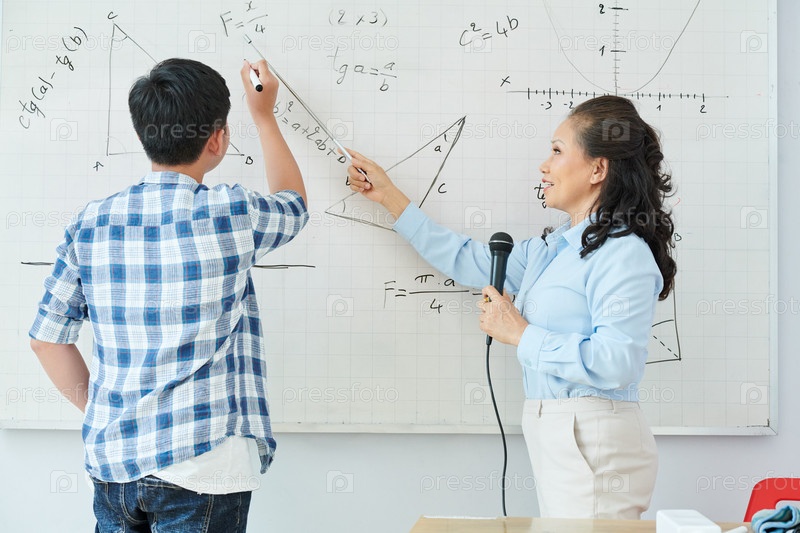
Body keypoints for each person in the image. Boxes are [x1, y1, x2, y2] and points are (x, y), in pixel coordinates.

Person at [346, 95, 676, 519]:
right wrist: (389, 196)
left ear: (598, 169)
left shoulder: (623, 254)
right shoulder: (550, 250)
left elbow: (618, 363)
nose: (543, 165)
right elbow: (467, 260)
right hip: (555, 430)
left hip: (593, 436)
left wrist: (522, 334)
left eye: (557, 151)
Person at [28, 58, 308, 532]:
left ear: (144, 133)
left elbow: (46, 340)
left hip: (114, 465)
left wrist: (105, 412)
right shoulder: (231, 213)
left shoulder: (90, 224)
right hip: (202, 467)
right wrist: (264, 116)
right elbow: (293, 205)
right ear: (217, 139)